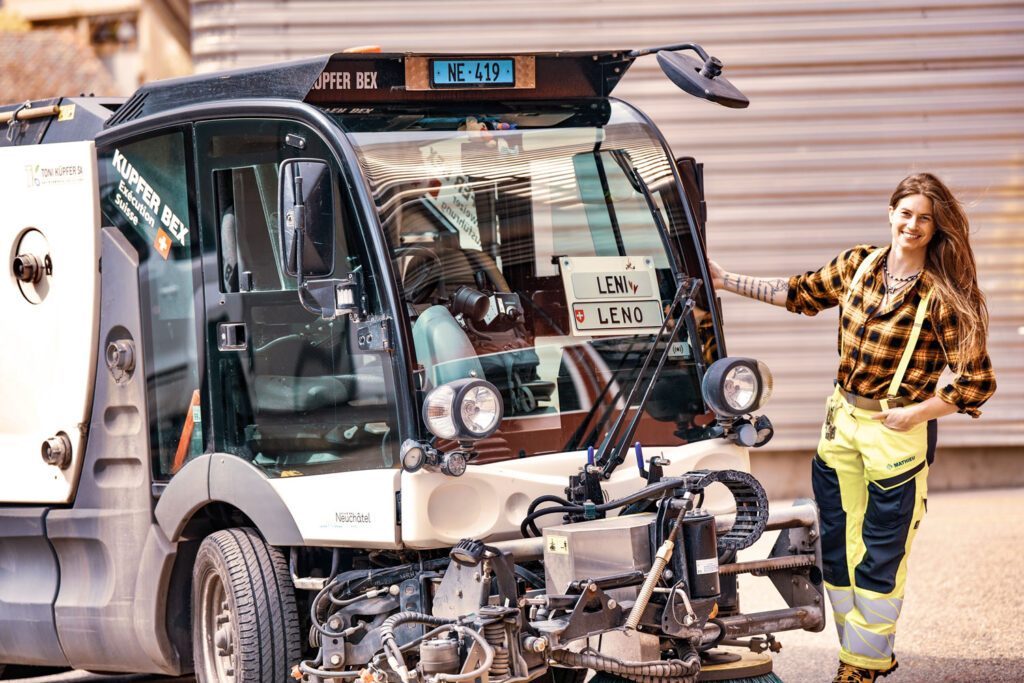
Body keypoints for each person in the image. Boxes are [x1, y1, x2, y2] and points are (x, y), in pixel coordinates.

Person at [708, 173, 996, 683]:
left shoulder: (943, 295)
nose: (913, 225)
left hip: (896, 431)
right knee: (837, 544)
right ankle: (860, 651)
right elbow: (798, 292)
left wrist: (916, 413)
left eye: (925, 218)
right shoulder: (858, 264)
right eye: (905, 213)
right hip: (842, 421)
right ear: (890, 212)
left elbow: (976, 382)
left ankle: (860, 667)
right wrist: (726, 280)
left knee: (882, 553)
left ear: (936, 228)